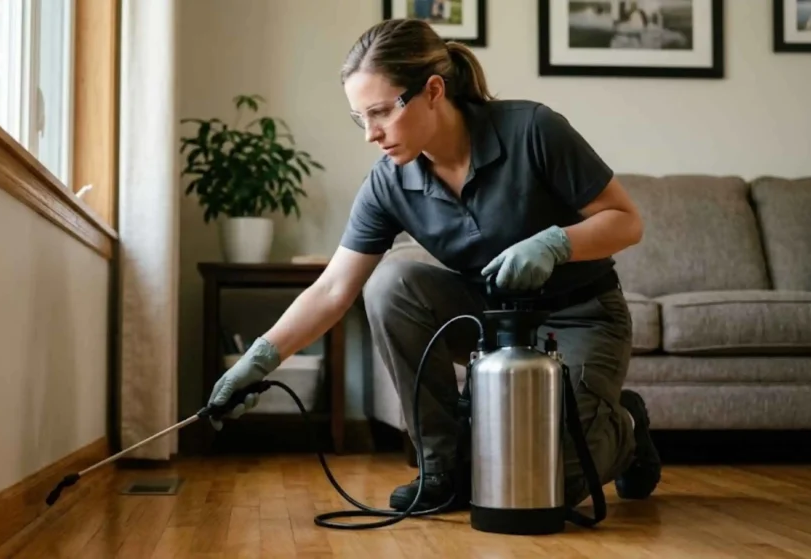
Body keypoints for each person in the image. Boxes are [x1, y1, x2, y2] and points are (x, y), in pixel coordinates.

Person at [205, 18, 661, 512]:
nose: (371, 134)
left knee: (553, 482)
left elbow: (626, 221)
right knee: (390, 283)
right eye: (360, 118)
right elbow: (333, 288)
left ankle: (627, 425)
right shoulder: (388, 183)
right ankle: (440, 468)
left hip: (580, 315)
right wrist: (259, 360)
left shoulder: (532, 129)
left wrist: (555, 242)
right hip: (490, 320)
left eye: (380, 112)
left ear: (433, 91)